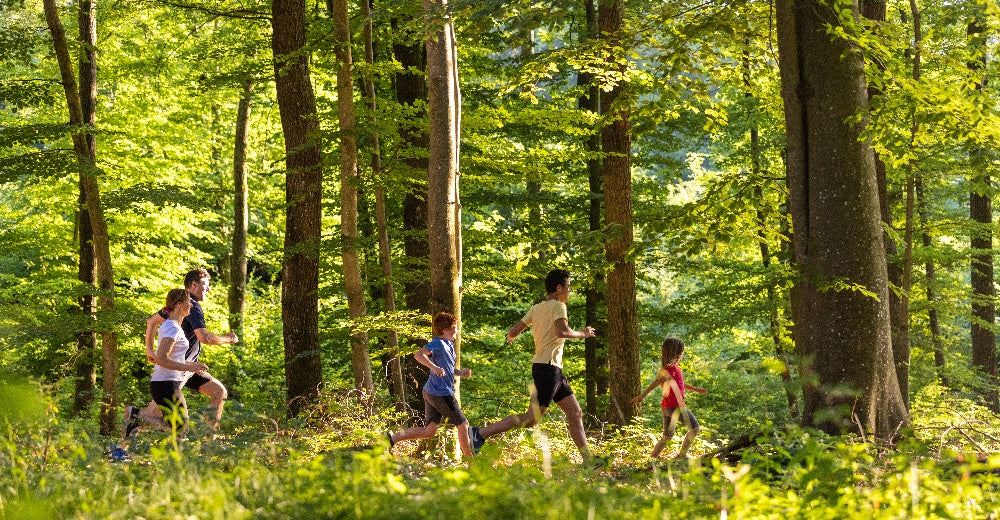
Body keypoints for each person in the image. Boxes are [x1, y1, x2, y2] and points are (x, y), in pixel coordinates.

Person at [468, 269, 598, 463]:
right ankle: (479, 434)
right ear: (559, 288)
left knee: (575, 412)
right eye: (568, 286)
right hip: (548, 369)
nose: (570, 290)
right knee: (531, 418)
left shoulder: (536, 308)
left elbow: (513, 331)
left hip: (550, 369)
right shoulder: (559, 306)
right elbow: (562, 331)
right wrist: (583, 333)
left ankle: (589, 461)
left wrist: (511, 337)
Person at [124, 268, 238, 436]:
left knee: (219, 392)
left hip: (190, 368)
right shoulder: (192, 305)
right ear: (194, 284)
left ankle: (209, 442)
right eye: (205, 285)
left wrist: (149, 350)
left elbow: (151, 321)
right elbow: (205, 337)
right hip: (179, 369)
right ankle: (125, 441)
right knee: (154, 415)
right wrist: (228, 338)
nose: (208, 289)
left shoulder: (175, 306)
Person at [387, 312, 475, 457]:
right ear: (445, 330)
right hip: (441, 393)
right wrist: (433, 367)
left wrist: (460, 373)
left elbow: (446, 368)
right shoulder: (438, 343)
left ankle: (392, 438)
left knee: (429, 431)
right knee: (463, 425)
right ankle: (471, 461)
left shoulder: (449, 345)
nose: (457, 330)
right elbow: (418, 355)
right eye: (454, 328)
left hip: (431, 391)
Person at [144, 289, 209, 431]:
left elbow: (172, 358)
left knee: (178, 427)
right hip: (165, 384)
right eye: (188, 302)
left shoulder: (174, 326)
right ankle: (136, 416)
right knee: (180, 428)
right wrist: (189, 367)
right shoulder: (172, 328)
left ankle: (136, 417)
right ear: (179, 304)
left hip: (167, 383)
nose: (191, 305)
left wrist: (194, 365)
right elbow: (162, 359)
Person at [630, 337, 707, 458]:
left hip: (667, 407)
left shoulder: (671, 367)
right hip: (675, 407)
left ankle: (651, 459)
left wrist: (696, 389)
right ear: (676, 352)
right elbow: (657, 382)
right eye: (681, 351)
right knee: (695, 428)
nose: (682, 353)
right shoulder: (671, 367)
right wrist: (642, 396)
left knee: (667, 437)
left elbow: (680, 384)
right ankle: (682, 456)